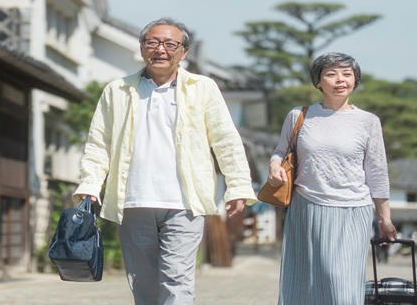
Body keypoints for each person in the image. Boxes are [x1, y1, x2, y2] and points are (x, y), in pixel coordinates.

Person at [73, 17, 257, 305]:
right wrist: (90, 183)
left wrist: (237, 186)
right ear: (141, 48)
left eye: (170, 44)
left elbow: (225, 140)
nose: (160, 49)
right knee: (142, 283)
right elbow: (99, 143)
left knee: (177, 280)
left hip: (185, 202)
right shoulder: (117, 90)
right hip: (133, 201)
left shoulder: (203, 88)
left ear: (183, 52)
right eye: (153, 42)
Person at [268, 52, 396, 305]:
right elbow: (280, 151)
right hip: (307, 208)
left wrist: (385, 218)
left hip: (353, 210)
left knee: (341, 284)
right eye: (331, 74)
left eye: (347, 74)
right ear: (318, 82)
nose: (340, 80)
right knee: (304, 284)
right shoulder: (299, 116)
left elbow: (377, 172)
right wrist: (274, 165)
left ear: (355, 80)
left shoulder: (368, 121)